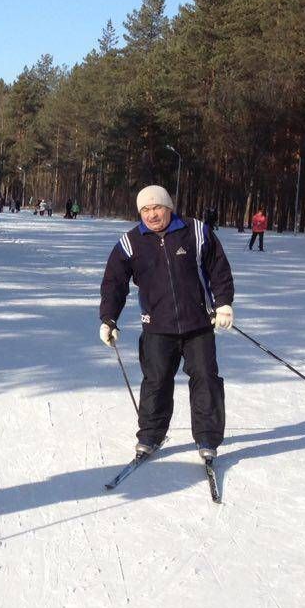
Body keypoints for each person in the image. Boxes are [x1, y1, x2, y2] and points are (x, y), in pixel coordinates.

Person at [99, 185, 235, 463]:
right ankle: (150, 435)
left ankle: (208, 437)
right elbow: (114, 283)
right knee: (156, 382)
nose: (151, 214)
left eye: (156, 208)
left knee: (206, 379)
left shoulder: (196, 232)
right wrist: (109, 318)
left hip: (197, 324)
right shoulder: (130, 242)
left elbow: (218, 268)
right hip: (157, 326)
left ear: (169, 207)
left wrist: (223, 303)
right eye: (145, 210)